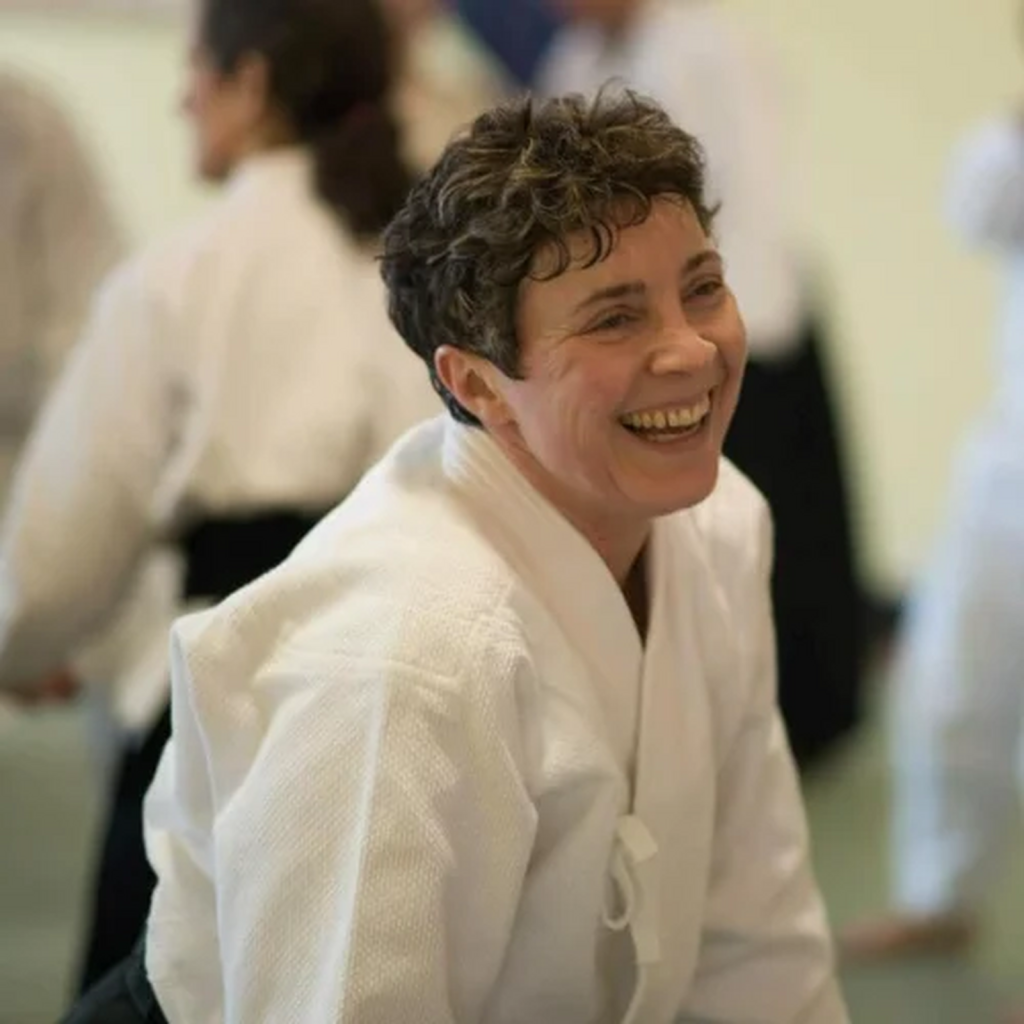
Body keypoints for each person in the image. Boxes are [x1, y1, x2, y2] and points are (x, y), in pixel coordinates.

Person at [66, 88, 848, 1024]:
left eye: (703, 288)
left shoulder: (722, 527)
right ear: (478, 383)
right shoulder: (406, 656)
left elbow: (757, 934)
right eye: (613, 318)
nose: (690, 350)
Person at [0, 0, 439, 996]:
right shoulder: (445, 261)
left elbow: (68, 535)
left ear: (248, 86)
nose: (179, 92)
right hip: (421, 693)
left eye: (195, 64)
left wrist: (22, 646)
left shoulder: (180, 277)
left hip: (228, 697)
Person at [534, 0, 868, 768]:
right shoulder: (571, 64)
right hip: (646, 336)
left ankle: (801, 720)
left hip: (747, 326)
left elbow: (746, 202)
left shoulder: (711, 46)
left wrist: (707, 337)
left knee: (775, 533)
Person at [840, 107, 1024, 965]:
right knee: (948, 682)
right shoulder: (1009, 144)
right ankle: (941, 896)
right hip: (1008, 463)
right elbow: (974, 211)